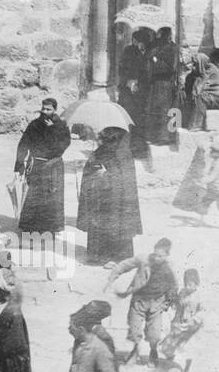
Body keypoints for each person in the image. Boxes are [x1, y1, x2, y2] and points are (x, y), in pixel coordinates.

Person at [105, 238, 179, 365]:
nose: (156, 258)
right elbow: (124, 265)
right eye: (155, 254)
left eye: (160, 256)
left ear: (167, 255)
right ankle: (135, 351)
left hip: (157, 304)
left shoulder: (170, 267)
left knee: (154, 334)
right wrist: (111, 278)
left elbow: (174, 286)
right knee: (134, 330)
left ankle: (153, 351)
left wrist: (170, 301)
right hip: (139, 301)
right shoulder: (144, 260)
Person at [77, 126, 143, 266]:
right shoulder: (99, 152)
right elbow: (91, 168)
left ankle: (117, 258)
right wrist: (93, 167)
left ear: (112, 139)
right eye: (99, 139)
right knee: (100, 226)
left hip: (118, 201)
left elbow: (124, 179)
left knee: (116, 226)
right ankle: (99, 256)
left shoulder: (123, 154)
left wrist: (105, 175)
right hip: (100, 198)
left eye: (102, 139)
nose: (99, 142)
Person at [14, 98, 72, 234]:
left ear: (54, 110)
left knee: (52, 197)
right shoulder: (34, 125)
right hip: (36, 166)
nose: (45, 112)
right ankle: (30, 227)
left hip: (53, 166)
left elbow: (63, 145)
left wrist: (53, 130)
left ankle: (50, 228)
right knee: (34, 197)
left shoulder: (61, 126)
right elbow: (23, 144)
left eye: (48, 109)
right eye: (43, 108)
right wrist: (19, 164)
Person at [157, 268, 204, 372]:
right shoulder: (182, 292)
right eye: (186, 284)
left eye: (191, 284)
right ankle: (170, 358)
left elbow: (203, 311)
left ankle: (187, 370)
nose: (189, 287)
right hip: (180, 324)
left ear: (197, 284)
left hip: (193, 327)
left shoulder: (200, 296)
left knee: (188, 349)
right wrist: (170, 305)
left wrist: (196, 319)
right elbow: (178, 304)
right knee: (166, 345)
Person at [117, 27, 153, 159]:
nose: (136, 43)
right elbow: (123, 69)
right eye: (136, 41)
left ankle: (138, 150)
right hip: (127, 92)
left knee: (139, 121)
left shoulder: (148, 53)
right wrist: (129, 81)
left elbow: (148, 72)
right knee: (126, 119)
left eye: (138, 41)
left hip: (141, 93)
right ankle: (123, 149)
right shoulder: (129, 51)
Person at [145, 27, 181, 147]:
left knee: (162, 109)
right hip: (160, 82)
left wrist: (155, 60)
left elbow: (170, 67)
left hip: (163, 82)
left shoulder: (170, 48)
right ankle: (159, 136)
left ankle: (163, 137)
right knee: (159, 109)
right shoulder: (162, 46)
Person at [182, 50, 219, 131]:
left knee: (201, 97)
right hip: (213, 95)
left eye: (196, 64)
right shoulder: (203, 69)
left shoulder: (211, 70)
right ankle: (187, 122)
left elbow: (200, 89)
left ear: (201, 63)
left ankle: (196, 125)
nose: (194, 66)